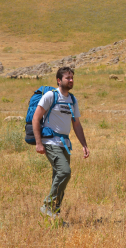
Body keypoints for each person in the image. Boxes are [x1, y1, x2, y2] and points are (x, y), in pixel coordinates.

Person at [32, 67, 90, 218]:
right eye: (67, 78)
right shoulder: (51, 96)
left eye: (72, 78)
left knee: (59, 179)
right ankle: (47, 205)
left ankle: (54, 215)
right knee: (65, 172)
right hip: (50, 141)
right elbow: (36, 118)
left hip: (65, 144)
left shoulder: (72, 100)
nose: (71, 80)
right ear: (59, 80)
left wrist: (84, 145)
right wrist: (38, 143)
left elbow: (76, 124)